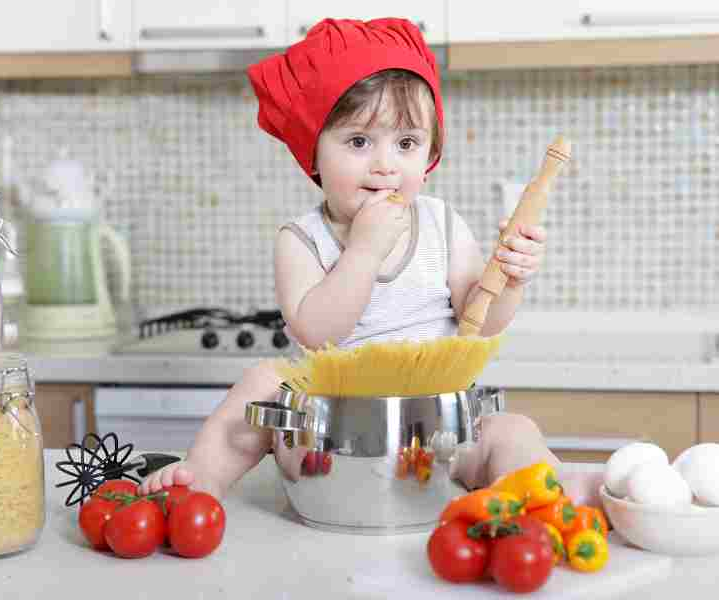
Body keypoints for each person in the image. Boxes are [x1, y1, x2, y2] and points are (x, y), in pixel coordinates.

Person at [139, 18, 602, 506]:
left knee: (512, 429)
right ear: (312, 152)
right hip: (330, 445)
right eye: (359, 142)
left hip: (441, 439)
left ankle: (545, 498)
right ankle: (198, 483)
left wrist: (509, 280)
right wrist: (363, 250)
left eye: (406, 144)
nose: (385, 164)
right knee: (261, 386)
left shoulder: (443, 223)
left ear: (429, 154)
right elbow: (319, 333)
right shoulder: (301, 240)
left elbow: (479, 325)